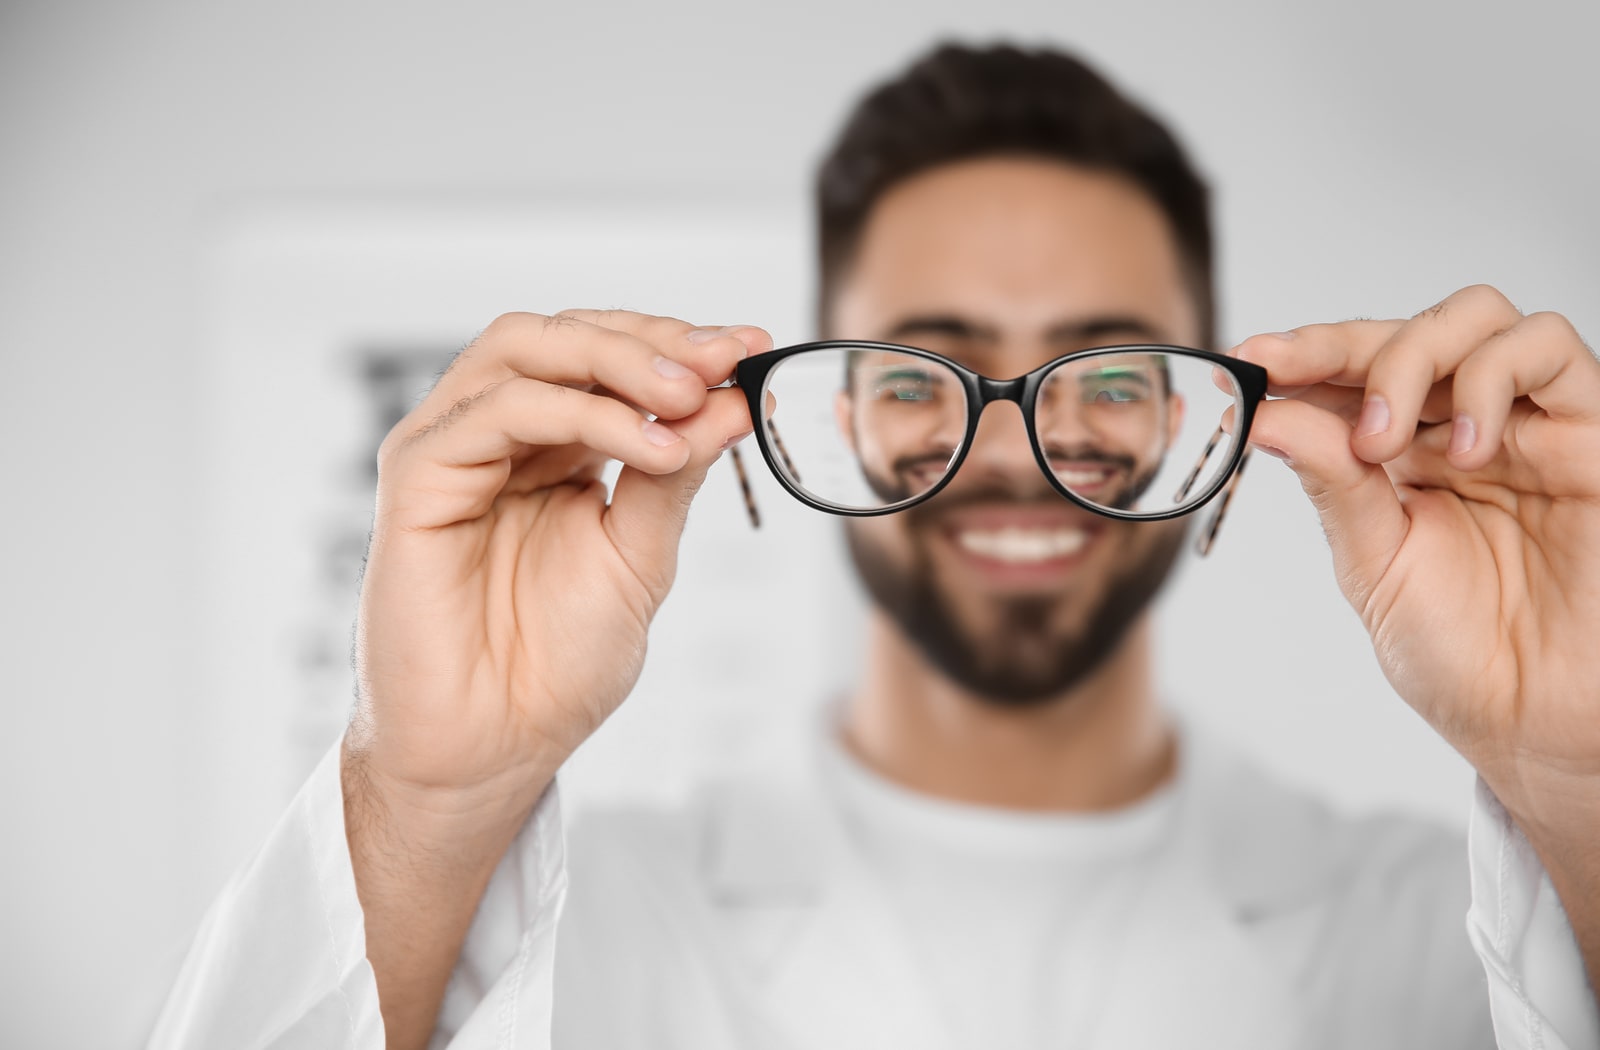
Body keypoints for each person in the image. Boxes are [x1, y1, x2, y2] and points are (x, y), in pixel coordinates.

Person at [150, 42, 1600, 1050]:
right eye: (925, 376)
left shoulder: (1440, 929)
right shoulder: (587, 927)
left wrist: (1581, 787)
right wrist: (422, 803)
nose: (1015, 450)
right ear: (819, 414)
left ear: (1219, 421)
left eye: (1105, 373)